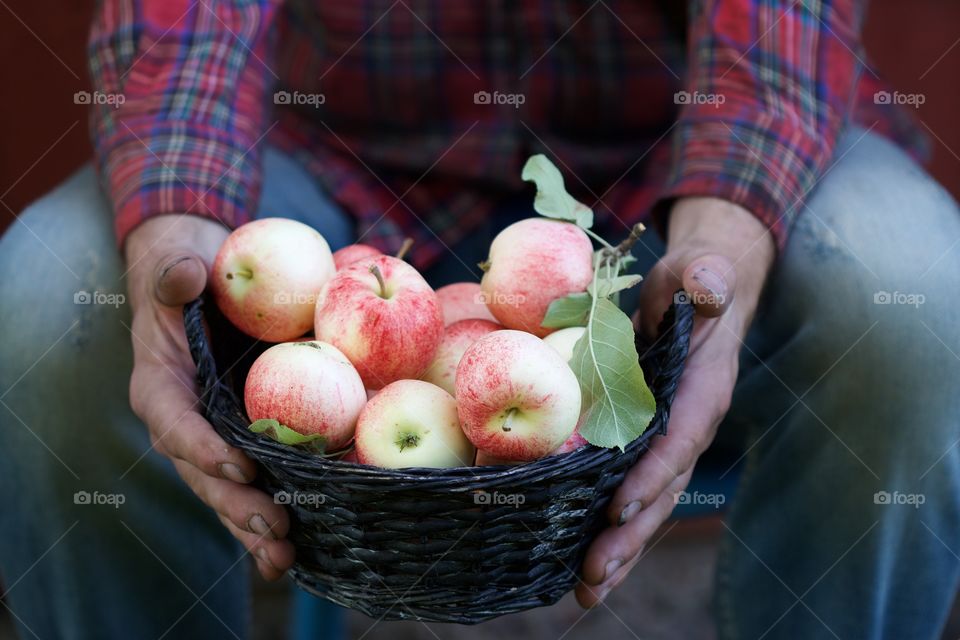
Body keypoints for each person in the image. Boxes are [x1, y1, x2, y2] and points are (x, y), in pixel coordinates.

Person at [1, 1, 958, 638]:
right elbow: (188, 23)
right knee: (49, 304)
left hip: (673, 168)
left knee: (915, 300)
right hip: (338, 158)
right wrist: (170, 242)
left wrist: (722, 253)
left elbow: (776, 33)